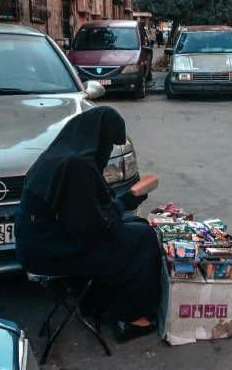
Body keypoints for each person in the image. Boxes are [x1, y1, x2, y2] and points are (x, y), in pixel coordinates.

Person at [15, 106, 163, 341]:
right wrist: (127, 200)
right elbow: (93, 229)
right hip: (49, 251)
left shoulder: (59, 155)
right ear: (98, 138)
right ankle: (132, 318)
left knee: (136, 225)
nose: (106, 150)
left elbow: (84, 211)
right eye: (107, 143)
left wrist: (119, 207)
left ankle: (96, 302)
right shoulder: (76, 165)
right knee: (144, 239)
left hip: (40, 242)